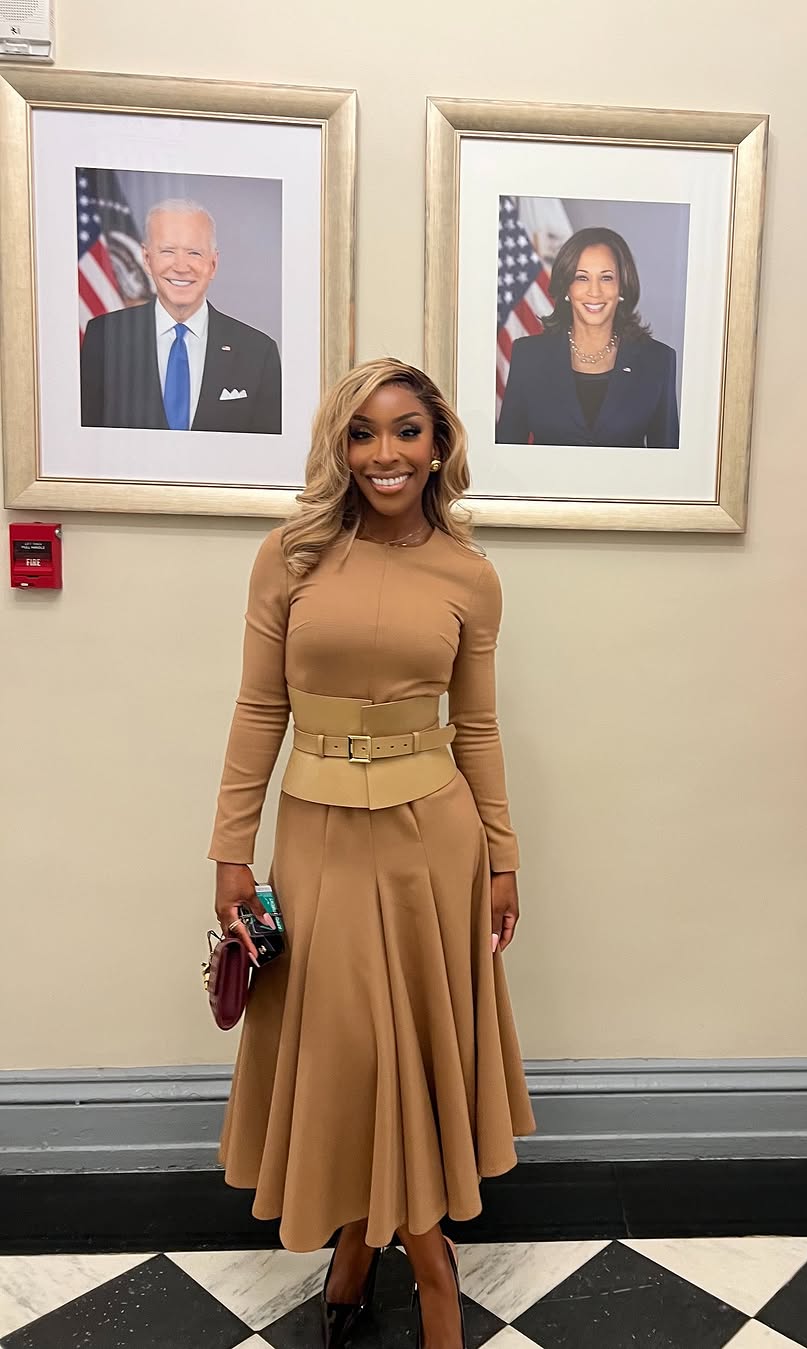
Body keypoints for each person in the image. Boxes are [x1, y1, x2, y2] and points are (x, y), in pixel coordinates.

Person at [208, 357, 534, 1349]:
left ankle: (399, 1267)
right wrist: (231, 846)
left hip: (434, 842)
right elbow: (261, 704)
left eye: (404, 431)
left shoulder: (471, 575)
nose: (383, 453)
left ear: (438, 445)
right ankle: (404, 1260)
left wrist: (504, 854)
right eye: (361, 433)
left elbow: (474, 728)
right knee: (349, 1050)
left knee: (411, 1052)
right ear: (337, 447)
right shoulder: (289, 556)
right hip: (315, 837)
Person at [80, 198, 281, 434]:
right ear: (147, 259)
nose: (181, 266)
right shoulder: (104, 338)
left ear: (213, 264)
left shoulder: (258, 351)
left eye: (194, 253)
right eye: (167, 251)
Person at [496, 226, 680, 448]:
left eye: (606, 278)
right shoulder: (528, 356)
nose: (595, 291)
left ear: (621, 286)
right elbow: (507, 452)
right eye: (582, 278)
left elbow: (667, 466)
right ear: (566, 288)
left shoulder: (658, 360)